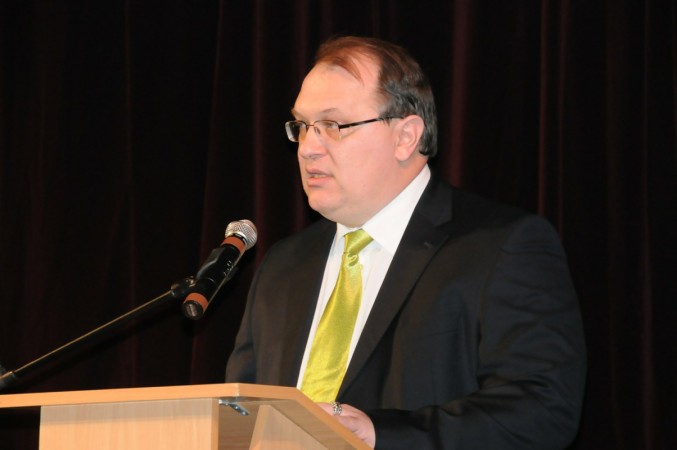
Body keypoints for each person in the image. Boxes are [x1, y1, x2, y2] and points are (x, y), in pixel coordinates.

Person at [226, 35, 586, 449]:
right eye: (302, 127)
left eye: (333, 126)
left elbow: (542, 409)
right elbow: (239, 415)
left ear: (406, 137)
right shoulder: (283, 265)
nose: (308, 148)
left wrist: (381, 434)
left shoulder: (501, 246)